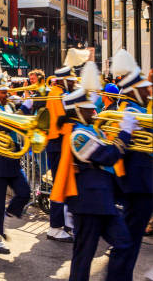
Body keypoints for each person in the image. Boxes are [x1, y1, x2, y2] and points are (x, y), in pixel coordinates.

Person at [52, 61, 136, 281]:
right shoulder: (78, 135)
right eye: (90, 108)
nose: (95, 110)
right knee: (83, 259)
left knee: (125, 243)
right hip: (87, 204)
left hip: (104, 201)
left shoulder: (92, 129)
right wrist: (125, 134)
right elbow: (106, 156)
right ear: (78, 111)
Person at [111, 49, 153, 279]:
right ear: (134, 91)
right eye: (145, 88)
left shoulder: (138, 109)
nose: (149, 91)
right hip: (137, 184)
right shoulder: (129, 111)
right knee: (129, 241)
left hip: (142, 183)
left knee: (130, 241)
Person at [0, 57, 31, 254]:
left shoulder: (7, 106)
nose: (6, 95)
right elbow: (5, 124)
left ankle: (10, 211)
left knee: (24, 192)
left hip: (11, 158)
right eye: (3, 92)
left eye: (6, 91)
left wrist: (26, 107)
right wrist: (24, 109)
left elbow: (17, 121)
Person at [45, 63, 79, 243]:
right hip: (57, 144)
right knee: (58, 186)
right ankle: (55, 227)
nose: (74, 84)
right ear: (65, 81)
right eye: (72, 81)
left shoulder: (58, 94)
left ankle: (65, 223)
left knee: (64, 185)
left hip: (59, 144)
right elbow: (62, 120)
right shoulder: (58, 95)